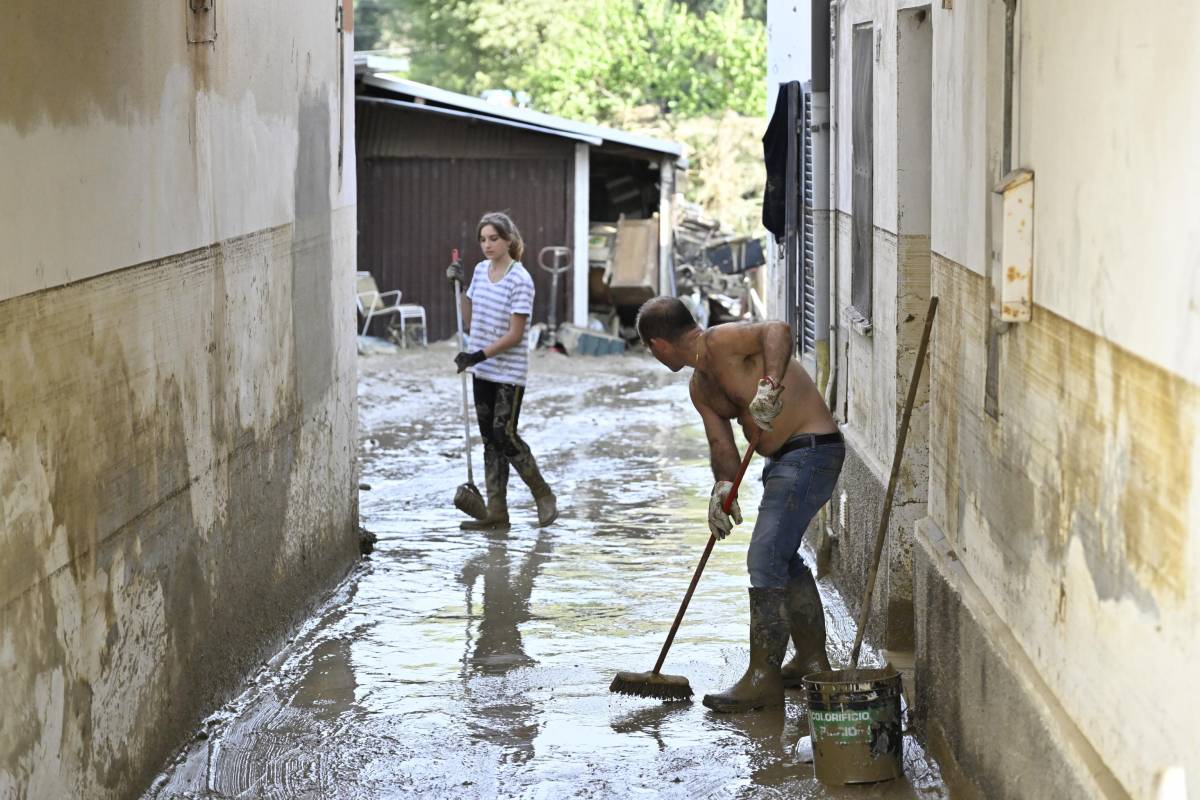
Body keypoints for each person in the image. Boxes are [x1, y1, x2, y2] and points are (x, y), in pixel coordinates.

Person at [635, 296, 844, 713]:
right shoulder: (700, 387)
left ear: (658, 345)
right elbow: (721, 445)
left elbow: (778, 330)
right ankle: (810, 660)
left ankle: (762, 679)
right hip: (781, 461)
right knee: (781, 559)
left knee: (764, 557)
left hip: (812, 449)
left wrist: (771, 384)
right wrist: (722, 490)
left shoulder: (721, 340)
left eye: (649, 349)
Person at [447, 212, 557, 529]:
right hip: (481, 369)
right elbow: (469, 320)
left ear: (508, 240)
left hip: (507, 373)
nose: (487, 245)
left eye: (494, 238)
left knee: (504, 434)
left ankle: (544, 495)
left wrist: (476, 355)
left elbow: (515, 335)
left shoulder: (520, 279)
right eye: (483, 239)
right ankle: (496, 511)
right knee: (489, 440)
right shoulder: (481, 272)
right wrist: (459, 286)